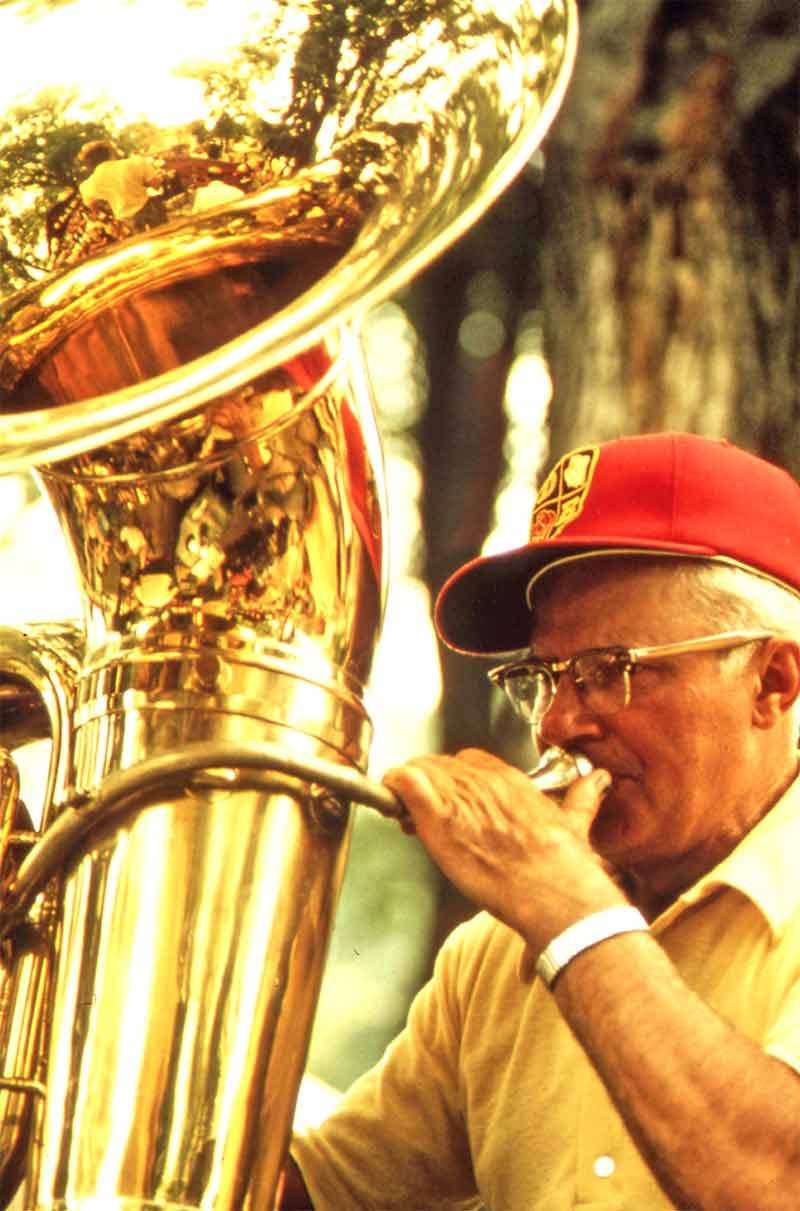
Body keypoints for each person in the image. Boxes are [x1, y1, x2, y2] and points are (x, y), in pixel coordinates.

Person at [282, 431, 800, 1211]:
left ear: (772, 683)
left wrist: (570, 911)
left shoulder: (550, 912)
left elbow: (777, 1182)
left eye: (609, 671)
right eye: (542, 677)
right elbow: (329, 1195)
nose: (556, 723)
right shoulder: (495, 954)